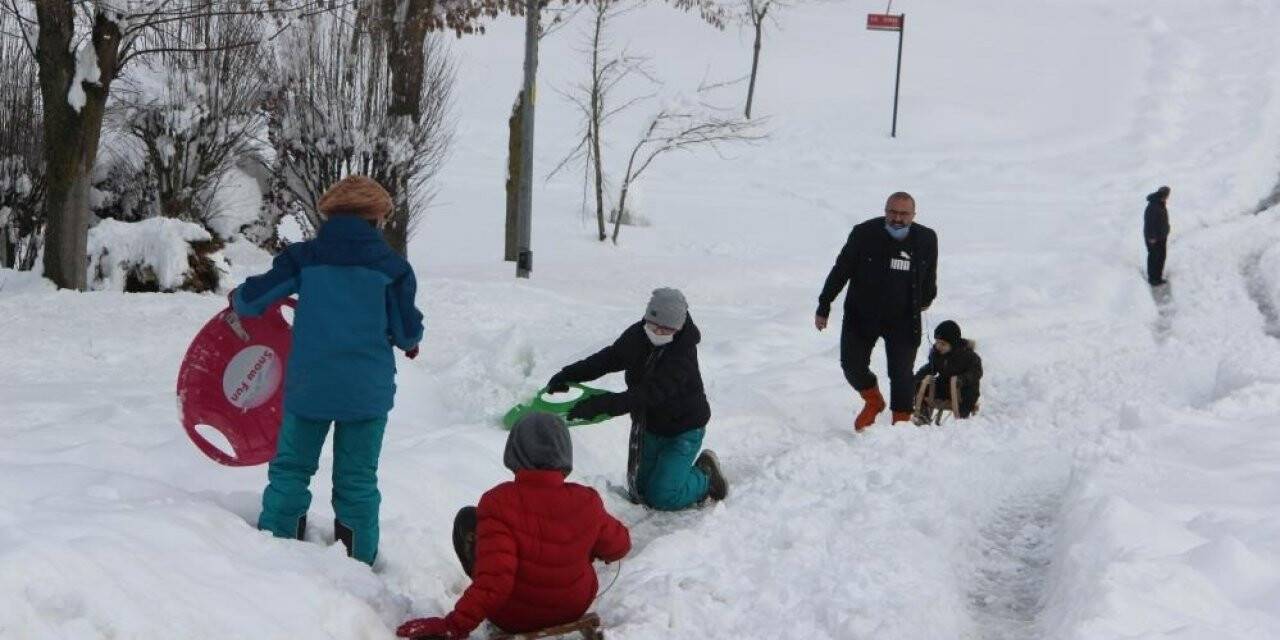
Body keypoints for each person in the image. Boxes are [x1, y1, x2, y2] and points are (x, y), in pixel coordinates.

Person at [231, 175, 424, 565]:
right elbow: (406, 333)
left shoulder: (305, 258)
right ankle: (359, 564)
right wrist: (411, 338)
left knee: (290, 472)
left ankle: (276, 552)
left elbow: (252, 301)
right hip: (365, 394)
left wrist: (237, 297)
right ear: (376, 220)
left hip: (309, 388)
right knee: (357, 481)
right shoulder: (393, 268)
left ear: (330, 216)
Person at [395, 412, 631, 640]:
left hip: (515, 616)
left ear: (515, 451)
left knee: (469, 520)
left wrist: (453, 625)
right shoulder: (586, 500)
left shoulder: (498, 502)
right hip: (573, 606)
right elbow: (619, 547)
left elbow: (495, 581)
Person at [547, 288, 728, 510]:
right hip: (650, 428)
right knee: (641, 492)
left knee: (662, 497)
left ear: (679, 328)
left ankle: (706, 476)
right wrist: (568, 375)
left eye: (667, 329)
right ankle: (676, 476)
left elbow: (647, 394)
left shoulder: (682, 357)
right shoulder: (638, 335)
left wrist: (602, 405)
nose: (658, 332)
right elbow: (608, 359)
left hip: (684, 431)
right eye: (654, 326)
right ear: (647, 318)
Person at [815, 191, 938, 431]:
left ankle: (901, 424)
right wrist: (824, 304)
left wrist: (926, 298)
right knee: (852, 366)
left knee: (901, 373)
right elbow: (841, 270)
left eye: (904, 214)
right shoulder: (863, 234)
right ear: (885, 210)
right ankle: (873, 401)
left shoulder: (926, 238)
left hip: (903, 318)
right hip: (862, 315)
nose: (897, 218)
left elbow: (929, 275)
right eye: (892, 212)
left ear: (914, 215)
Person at [913, 320, 982, 418]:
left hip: (964, 390)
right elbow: (930, 368)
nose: (938, 346)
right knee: (920, 386)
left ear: (953, 344)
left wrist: (961, 379)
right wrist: (916, 378)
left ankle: (962, 420)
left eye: (943, 344)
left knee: (968, 395)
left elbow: (976, 372)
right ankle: (923, 415)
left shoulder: (968, 356)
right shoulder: (937, 355)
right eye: (937, 342)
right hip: (945, 388)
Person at [1144, 186, 1171, 286]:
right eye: (1168, 195)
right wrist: (1151, 237)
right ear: (1164, 194)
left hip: (1161, 236)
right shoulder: (1153, 206)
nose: (1168, 197)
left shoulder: (1160, 203)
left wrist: (1167, 228)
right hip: (1154, 239)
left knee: (1161, 257)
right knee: (1154, 257)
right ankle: (1153, 279)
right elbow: (1150, 223)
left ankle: (1158, 277)